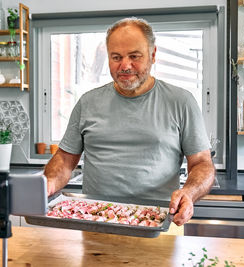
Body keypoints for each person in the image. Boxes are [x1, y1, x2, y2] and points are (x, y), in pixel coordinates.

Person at [44, 17, 216, 226]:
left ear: (153, 55)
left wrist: (189, 193)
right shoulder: (88, 102)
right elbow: (64, 159)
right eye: (116, 57)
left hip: (157, 223)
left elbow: (202, 164)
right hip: (96, 223)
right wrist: (48, 184)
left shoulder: (181, 102)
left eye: (134, 56)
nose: (125, 66)